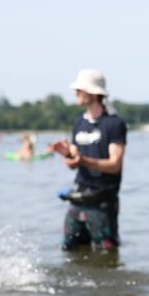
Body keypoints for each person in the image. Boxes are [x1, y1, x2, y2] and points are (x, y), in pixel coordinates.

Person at [49, 70, 127, 251]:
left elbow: (115, 165)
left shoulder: (114, 124)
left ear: (93, 93)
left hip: (102, 201)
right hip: (78, 198)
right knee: (69, 249)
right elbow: (74, 161)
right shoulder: (79, 123)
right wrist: (67, 154)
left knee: (106, 253)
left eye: (79, 89)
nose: (75, 93)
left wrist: (82, 160)